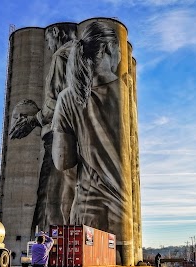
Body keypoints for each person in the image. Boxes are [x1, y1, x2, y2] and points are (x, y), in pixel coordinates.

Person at [52, 21, 124, 235]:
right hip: (122, 213)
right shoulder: (125, 92)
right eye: (119, 50)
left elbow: (62, 160)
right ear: (108, 48)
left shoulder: (66, 98)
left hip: (87, 211)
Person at [9, 24, 78, 231]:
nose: (48, 47)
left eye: (48, 41)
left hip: (58, 136)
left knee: (49, 199)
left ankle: (44, 246)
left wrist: (33, 120)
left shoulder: (62, 55)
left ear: (56, 34)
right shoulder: (81, 53)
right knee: (68, 197)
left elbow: (58, 101)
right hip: (79, 137)